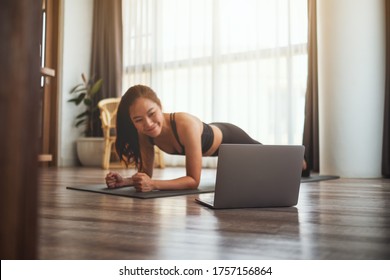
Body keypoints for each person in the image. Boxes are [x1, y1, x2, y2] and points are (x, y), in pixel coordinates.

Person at [105, 85, 307, 192]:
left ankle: (300, 161)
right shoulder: (145, 134)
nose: (147, 124)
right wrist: (125, 181)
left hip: (231, 136)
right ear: (132, 121)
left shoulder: (184, 124)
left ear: (160, 106)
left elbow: (193, 181)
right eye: (138, 120)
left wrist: (155, 185)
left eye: (151, 113)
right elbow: (145, 174)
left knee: (285, 164)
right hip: (218, 142)